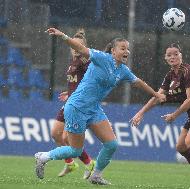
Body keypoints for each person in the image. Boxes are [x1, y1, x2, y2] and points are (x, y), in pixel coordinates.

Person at [35, 27, 166, 185]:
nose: (127, 51)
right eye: (123, 48)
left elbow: (138, 83)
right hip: (77, 107)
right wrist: (63, 36)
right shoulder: (101, 58)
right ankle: (43, 157)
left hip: (94, 109)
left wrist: (155, 94)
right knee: (75, 150)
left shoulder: (123, 70)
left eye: (128, 49)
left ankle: (95, 176)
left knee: (111, 144)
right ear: (113, 50)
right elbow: (80, 48)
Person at [130, 43, 190, 189]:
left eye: (175, 53)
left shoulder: (187, 71)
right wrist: (141, 113)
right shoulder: (170, 76)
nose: (173, 57)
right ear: (165, 58)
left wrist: (174, 115)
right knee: (181, 147)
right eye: (169, 55)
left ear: (181, 55)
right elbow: (157, 97)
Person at [51, 29, 94, 179]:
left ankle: (90, 164)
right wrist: (68, 92)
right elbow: (77, 82)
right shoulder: (73, 62)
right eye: (73, 45)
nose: (75, 48)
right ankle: (70, 164)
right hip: (70, 101)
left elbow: (90, 82)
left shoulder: (85, 62)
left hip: (78, 105)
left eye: (78, 45)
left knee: (67, 139)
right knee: (56, 134)